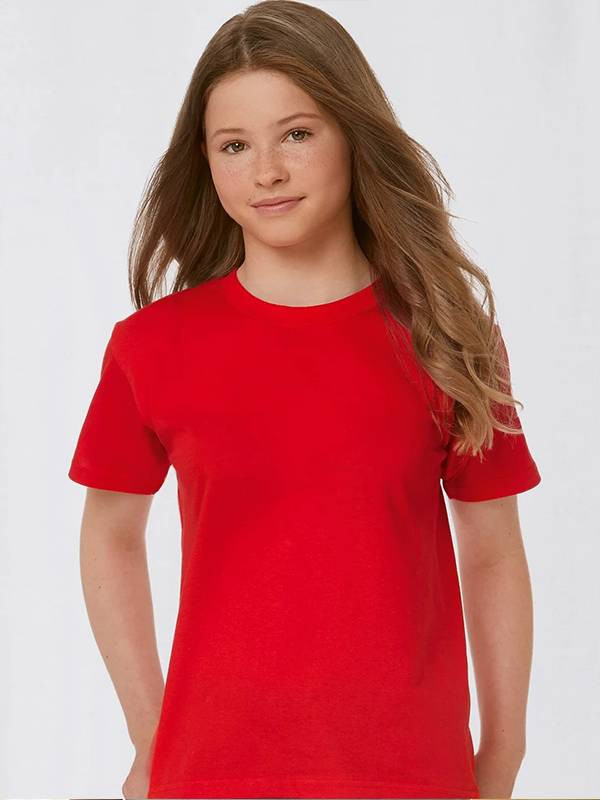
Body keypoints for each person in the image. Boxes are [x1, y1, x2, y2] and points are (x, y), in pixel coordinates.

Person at [67, 2, 542, 798]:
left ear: (353, 134)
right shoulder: (153, 347)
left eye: (296, 133)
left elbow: (492, 551)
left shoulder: (447, 339)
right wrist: (152, 736)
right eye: (234, 145)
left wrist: (504, 754)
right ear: (205, 161)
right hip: (211, 776)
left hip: (412, 776)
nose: (267, 172)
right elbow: (110, 534)